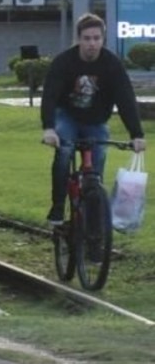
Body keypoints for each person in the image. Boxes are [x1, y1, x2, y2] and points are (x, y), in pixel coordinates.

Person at [40, 13, 146, 225]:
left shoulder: (111, 64)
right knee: (64, 153)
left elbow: (125, 99)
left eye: (96, 38)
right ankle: (58, 207)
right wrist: (49, 128)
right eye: (87, 38)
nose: (92, 43)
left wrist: (136, 134)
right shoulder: (64, 62)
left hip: (96, 121)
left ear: (103, 39)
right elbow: (49, 96)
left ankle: (94, 229)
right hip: (67, 116)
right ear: (79, 39)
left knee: (96, 174)